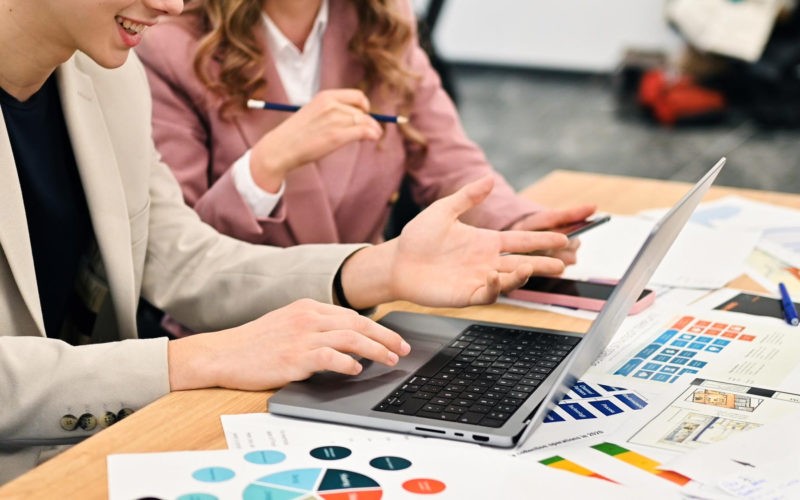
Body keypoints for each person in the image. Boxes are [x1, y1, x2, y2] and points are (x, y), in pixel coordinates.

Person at [0, 0, 572, 484]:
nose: (174, 3)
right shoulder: (152, 53)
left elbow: (181, 257)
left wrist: (383, 266)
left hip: (94, 444)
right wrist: (199, 356)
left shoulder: (108, 77)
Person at [136, 0, 596, 252]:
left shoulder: (383, 20)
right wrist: (266, 166)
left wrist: (517, 222)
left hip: (364, 320)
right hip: (233, 335)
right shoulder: (170, 43)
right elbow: (177, 247)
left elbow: (450, 162)